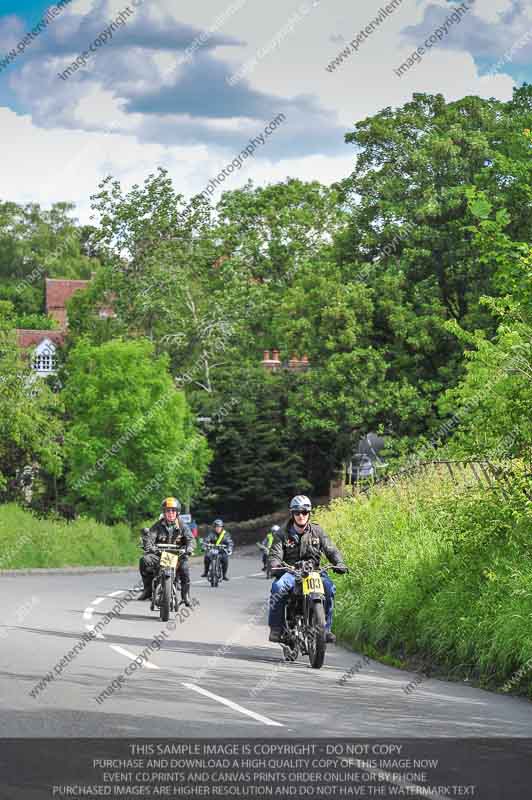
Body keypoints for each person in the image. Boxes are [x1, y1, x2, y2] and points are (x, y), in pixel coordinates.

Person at [268, 495, 348, 644]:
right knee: (278, 587)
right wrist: (275, 565)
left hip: (314, 572)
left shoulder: (317, 531)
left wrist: (339, 563)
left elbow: (331, 549)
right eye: (297, 512)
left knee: (329, 588)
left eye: (304, 512)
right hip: (291, 572)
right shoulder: (281, 534)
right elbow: (275, 554)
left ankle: (326, 629)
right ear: (292, 514)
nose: (301, 516)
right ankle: (276, 628)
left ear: (309, 513)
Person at [138, 497, 195, 606]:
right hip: (160, 554)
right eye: (168, 510)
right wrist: (150, 547)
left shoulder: (182, 525)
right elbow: (150, 538)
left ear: (177, 512)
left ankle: (186, 596)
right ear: (164, 512)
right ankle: (147, 590)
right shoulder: (157, 526)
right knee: (144, 560)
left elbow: (190, 539)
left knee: (185, 569)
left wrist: (189, 548)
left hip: (178, 556)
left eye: (173, 510)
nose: (170, 513)